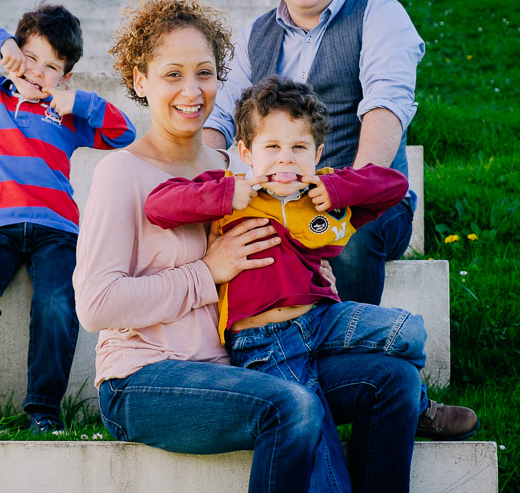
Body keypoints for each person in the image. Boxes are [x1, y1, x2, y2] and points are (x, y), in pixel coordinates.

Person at [74, 0, 424, 492]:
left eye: (204, 72)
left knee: (394, 382)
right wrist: (207, 272)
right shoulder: (122, 173)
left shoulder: (235, 173)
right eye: (172, 74)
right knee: (290, 404)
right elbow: (96, 305)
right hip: (146, 379)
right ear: (139, 80)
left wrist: (308, 269)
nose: (191, 90)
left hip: (240, 364)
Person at [202, 0, 478, 440]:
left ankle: (401, 394)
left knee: (347, 242)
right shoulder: (255, 34)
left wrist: (345, 191)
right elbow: (219, 119)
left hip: (368, 201)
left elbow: (386, 104)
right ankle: (273, 377)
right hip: (275, 202)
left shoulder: (379, 14)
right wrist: (210, 178)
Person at [145, 75, 430, 491]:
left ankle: (419, 402)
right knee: (326, 474)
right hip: (266, 342)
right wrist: (229, 193)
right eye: (272, 147)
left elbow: (394, 187)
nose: (286, 160)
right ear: (245, 153)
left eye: (298, 148)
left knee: (411, 331)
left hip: (321, 321)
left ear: (317, 154)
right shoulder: (233, 195)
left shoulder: (321, 201)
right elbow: (159, 205)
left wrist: (333, 187)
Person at [0, 5, 136, 431]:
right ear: (16, 54)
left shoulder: (65, 115)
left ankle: (44, 412)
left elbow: (125, 134)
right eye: (31, 58)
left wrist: (76, 101)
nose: (37, 72)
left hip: (57, 233)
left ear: (64, 76)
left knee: (57, 306)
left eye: (51, 67)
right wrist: (1, 45)